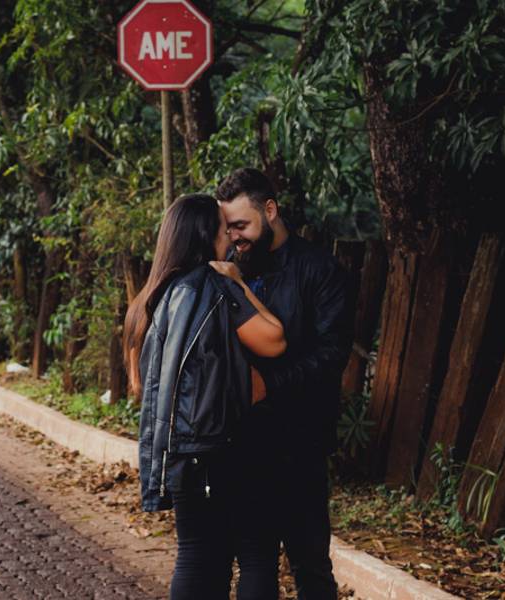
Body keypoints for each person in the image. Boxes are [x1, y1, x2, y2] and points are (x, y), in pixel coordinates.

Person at [123, 193, 287, 600]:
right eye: (222, 227)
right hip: (222, 444)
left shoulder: (147, 299)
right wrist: (237, 283)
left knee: (197, 554)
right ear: (204, 235)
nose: (230, 237)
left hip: (176, 449)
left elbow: (139, 385)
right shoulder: (212, 289)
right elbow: (274, 340)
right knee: (254, 552)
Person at [215, 167, 353, 600]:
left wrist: (267, 384)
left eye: (241, 224)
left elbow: (333, 356)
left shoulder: (320, 269)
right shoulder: (231, 267)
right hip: (241, 441)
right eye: (227, 227)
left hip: (300, 443)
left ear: (270, 210)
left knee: (310, 566)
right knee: (252, 564)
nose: (234, 236)